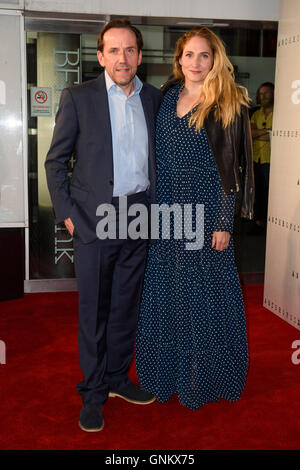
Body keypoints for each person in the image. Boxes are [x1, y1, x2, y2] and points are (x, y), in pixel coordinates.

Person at [45, 19, 163, 432]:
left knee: (125, 307)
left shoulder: (153, 98)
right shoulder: (78, 97)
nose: (122, 58)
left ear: (140, 56)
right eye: (113, 50)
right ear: (100, 57)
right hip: (93, 220)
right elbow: (55, 162)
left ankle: (116, 379)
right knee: (93, 311)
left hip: (138, 216)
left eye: (129, 49)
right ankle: (93, 392)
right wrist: (70, 218)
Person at [135, 27, 254, 410]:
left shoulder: (228, 100)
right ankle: (166, 373)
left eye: (204, 55)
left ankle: (206, 376)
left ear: (215, 59)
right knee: (168, 289)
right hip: (168, 208)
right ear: (179, 59)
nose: (196, 63)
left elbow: (229, 167)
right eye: (189, 55)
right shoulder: (167, 97)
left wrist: (224, 221)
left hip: (205, 209)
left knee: (205, 295)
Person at [250, 82, 274, 230]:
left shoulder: (280, 113)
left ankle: (269, 222)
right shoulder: (256, 113)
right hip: (256, 159)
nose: (263, 96)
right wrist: (268, 132)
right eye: (261, 93)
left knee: (270, 193)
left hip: (271, 160)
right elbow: (250, 133)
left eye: (266, 93)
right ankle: (259, 222)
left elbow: (276, 135)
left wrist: (262, 133)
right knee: (258, 191)